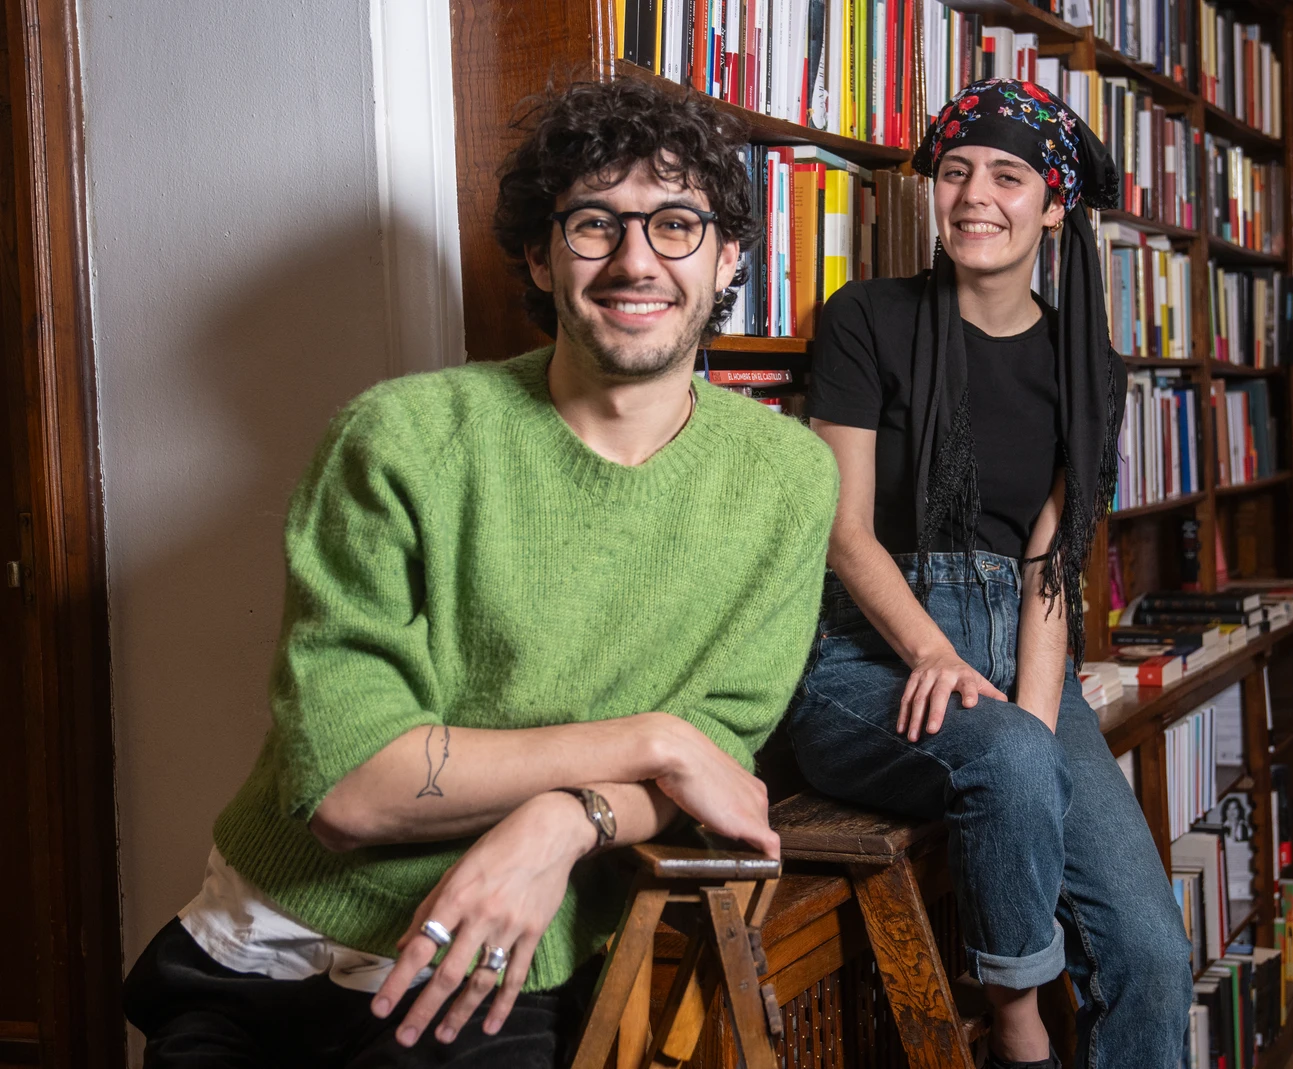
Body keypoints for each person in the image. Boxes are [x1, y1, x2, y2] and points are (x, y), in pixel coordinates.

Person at [121, 77, 838, 1067]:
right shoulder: (402, 436)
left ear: (729, 259)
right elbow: (350, 790)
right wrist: (650, 739)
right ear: (540, 257)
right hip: (272, 947)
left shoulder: (787, 477)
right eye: (595, 223)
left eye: (676, 224)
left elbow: (712, 762)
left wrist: (565, 820)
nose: (636, 260)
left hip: (499, 960)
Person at [785, 79, 1193, 1069]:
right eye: (956, 170)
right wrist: (934, 652)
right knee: (1007, 755)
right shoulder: (865, 318)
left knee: (1151, 953)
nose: (975, 195)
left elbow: (1049, 566)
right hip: (863, 658)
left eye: (1008, 175)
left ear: (1053, 206)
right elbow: (842, 530)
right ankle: (1020, 1036)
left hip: (1021, 658)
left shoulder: (1088, 368)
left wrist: (1036, 722)